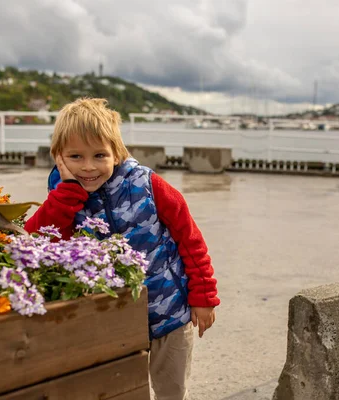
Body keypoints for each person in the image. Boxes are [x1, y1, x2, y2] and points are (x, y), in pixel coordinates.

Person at [25, 98, 220, 400]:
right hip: (111, 321)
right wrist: (65, 195)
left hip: (170, 314)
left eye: (99, 154)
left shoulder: (148, 185)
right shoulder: (62, 198)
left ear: (116, 153)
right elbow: (37, 242)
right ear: (58, 157)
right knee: (123, 390)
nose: (88, 167)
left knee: (173, 390)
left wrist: (203, 296)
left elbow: (190, 238)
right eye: (76, 156)